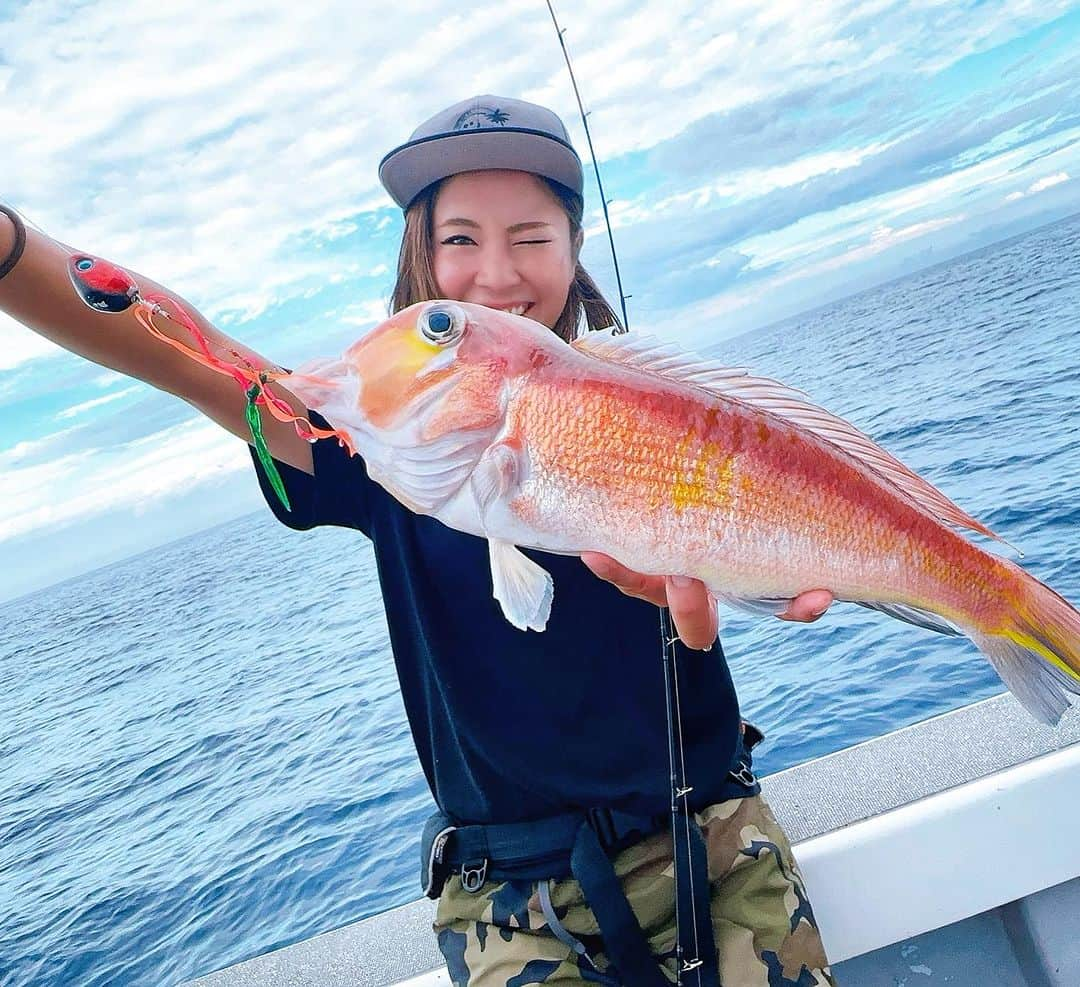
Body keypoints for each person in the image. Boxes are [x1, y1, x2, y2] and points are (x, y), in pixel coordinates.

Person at [0, 95, 837, 986]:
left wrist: (758, 588)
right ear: (422, 260)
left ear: (575, 248)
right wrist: (11, 248)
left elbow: (769, 533)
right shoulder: (379, 440)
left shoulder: (658, 420)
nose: (497, 272)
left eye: (532, 236)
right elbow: (185, 348)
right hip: (514, 902)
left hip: (717, 841)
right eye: (461, 239)